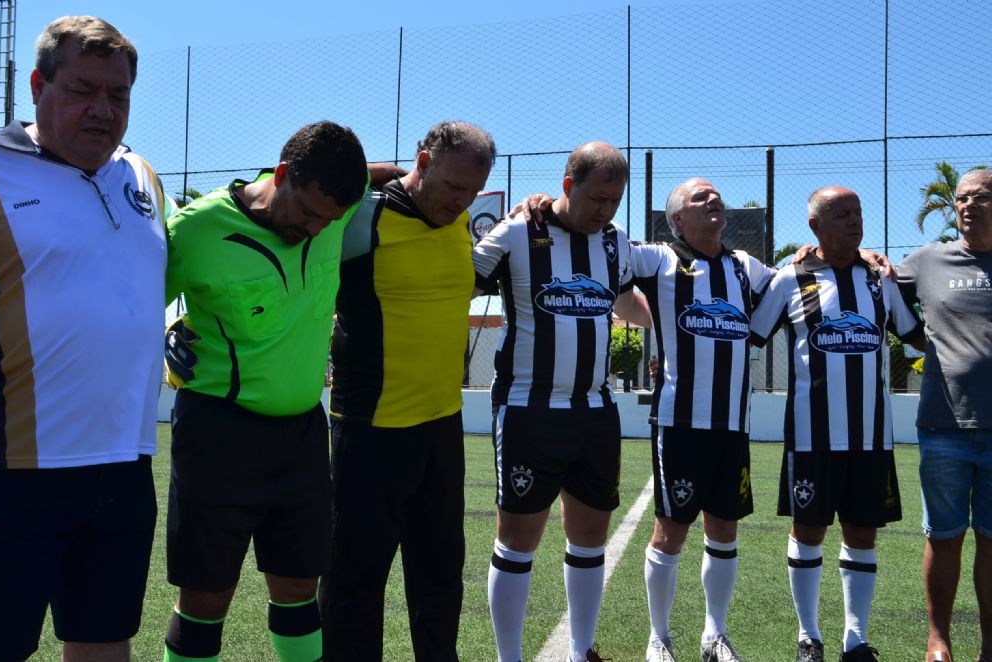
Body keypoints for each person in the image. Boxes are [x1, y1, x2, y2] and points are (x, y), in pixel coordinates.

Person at [0, 16, 167, 662]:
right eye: (83, 89)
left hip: (125, 465)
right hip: (13, 471)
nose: (103, 109)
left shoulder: (142, 176)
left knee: (103, 639)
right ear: (38, 87)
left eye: (118, 94)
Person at [162, 121, 369, 662]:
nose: (317, 228)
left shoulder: (336, 204)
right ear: (281, 175)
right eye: (309, 212)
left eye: (330, 220)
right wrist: (167, 335)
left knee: (300, 588)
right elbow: (131, 306)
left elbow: (388, 176)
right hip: (217, 435)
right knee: (206, 597)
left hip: (302, 435)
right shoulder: (194, 230)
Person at [322, 120, 497, 661]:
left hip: (441, 431)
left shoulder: (460, 219)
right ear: (422, 162)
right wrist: (366, 172)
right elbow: (287, 193)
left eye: (472, 192)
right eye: (453, 186)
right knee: (354, 584)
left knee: (440, 580)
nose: (461, 201)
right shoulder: (361, 216)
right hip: (369, 432)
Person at [474, 142, 650, 662]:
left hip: (595, 412)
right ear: (568, 186)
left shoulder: (615, 242)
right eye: (597, 199)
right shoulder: (516, 231)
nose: (606, 211)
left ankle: (580, 650)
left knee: (591, 537)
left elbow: (626, 300)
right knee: (518, 539)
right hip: (528, 411)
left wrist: (676, 322)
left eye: (615, 201)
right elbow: (459, 279)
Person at [748, 186, 924, 662]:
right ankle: (808, 636)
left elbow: (915, 336)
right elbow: (751, 334)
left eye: (858, 213)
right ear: (815, 226)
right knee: (808, 531)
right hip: (811, 438)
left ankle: (855, 638)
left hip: (871, 439)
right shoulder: (790, 278)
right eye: (842, 214)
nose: (854, 221)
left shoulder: (878, 280)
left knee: (862, 534)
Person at [632, 178, 776, 662]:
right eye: (700, 198)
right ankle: (659, 637)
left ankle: (715, 636)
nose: (714, 200)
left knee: (724, 530)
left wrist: (821, 256)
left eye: (716, 195)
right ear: (678, 219)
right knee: (670, 531)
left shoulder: (745, 267)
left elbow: (793, 284)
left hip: (733, 426)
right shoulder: (658, 259)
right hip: (679, 424)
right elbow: (602, 250)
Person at [896, 168, 992, 662]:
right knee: (945, 535)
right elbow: (882, 289)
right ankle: (939, 641)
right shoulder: (929, 260)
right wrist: (920, 339)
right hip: (944, 426)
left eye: (981, 197)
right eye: (962, 198)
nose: (969, 204)